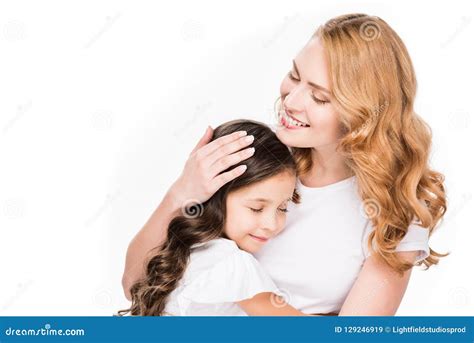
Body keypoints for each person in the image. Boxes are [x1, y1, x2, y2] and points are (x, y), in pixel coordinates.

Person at [122, 14, 447, 315]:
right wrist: (182, 193)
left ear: (362, 116)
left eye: (319, 97)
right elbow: (136, 287)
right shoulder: (259, 160)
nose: (290, 102)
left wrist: (249, 293)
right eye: (294, 76)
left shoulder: (393, 216)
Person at [117, 119, 310, 316]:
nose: (271, 224)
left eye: (283, 208)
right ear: (217, 196)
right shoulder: (230, 262)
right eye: (256, 208)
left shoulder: (191, 249)